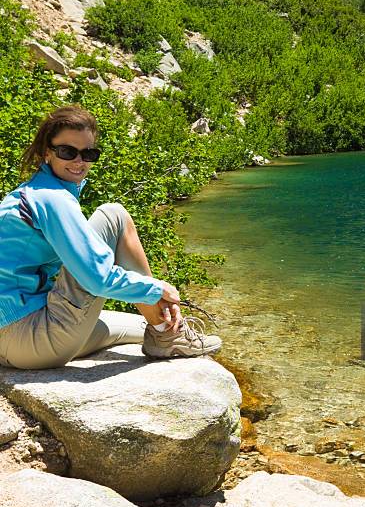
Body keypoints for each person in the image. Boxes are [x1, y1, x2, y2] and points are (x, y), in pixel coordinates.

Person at [0, 105, 221, 370]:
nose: (79, 161)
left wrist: (151, 302)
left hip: (15, 338)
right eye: (68, 152)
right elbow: (97, 279)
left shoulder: (29, 192)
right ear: (48, 152)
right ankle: (167, 334)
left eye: (88, 153)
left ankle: (164, 331)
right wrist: (157, 288)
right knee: (114, 215)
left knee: (138, 328)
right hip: (31, 338)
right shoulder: (52, 198)